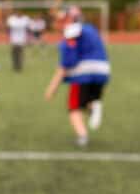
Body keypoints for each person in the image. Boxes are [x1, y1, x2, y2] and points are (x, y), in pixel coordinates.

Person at [43, 19, 110, 148]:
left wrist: (53, 87)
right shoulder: (91, 28)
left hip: (83, 73)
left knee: (74, 107)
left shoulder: (71, 32)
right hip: (103, 70)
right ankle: (94, 105)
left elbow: (68, 62)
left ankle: (82, 135)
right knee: (87, 100)